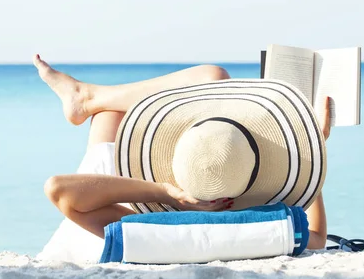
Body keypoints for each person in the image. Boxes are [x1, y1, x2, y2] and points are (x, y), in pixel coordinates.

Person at [33, 54, 331, 261]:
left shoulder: (157, 227)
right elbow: (316, 238)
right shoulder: (251, 224)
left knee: (210, 77)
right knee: (212, 77)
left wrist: (168, 193)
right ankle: (87, 98)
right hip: (152, 188)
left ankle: (87, 97)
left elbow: (59, 190)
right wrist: (312, 150)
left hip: (113, 189)